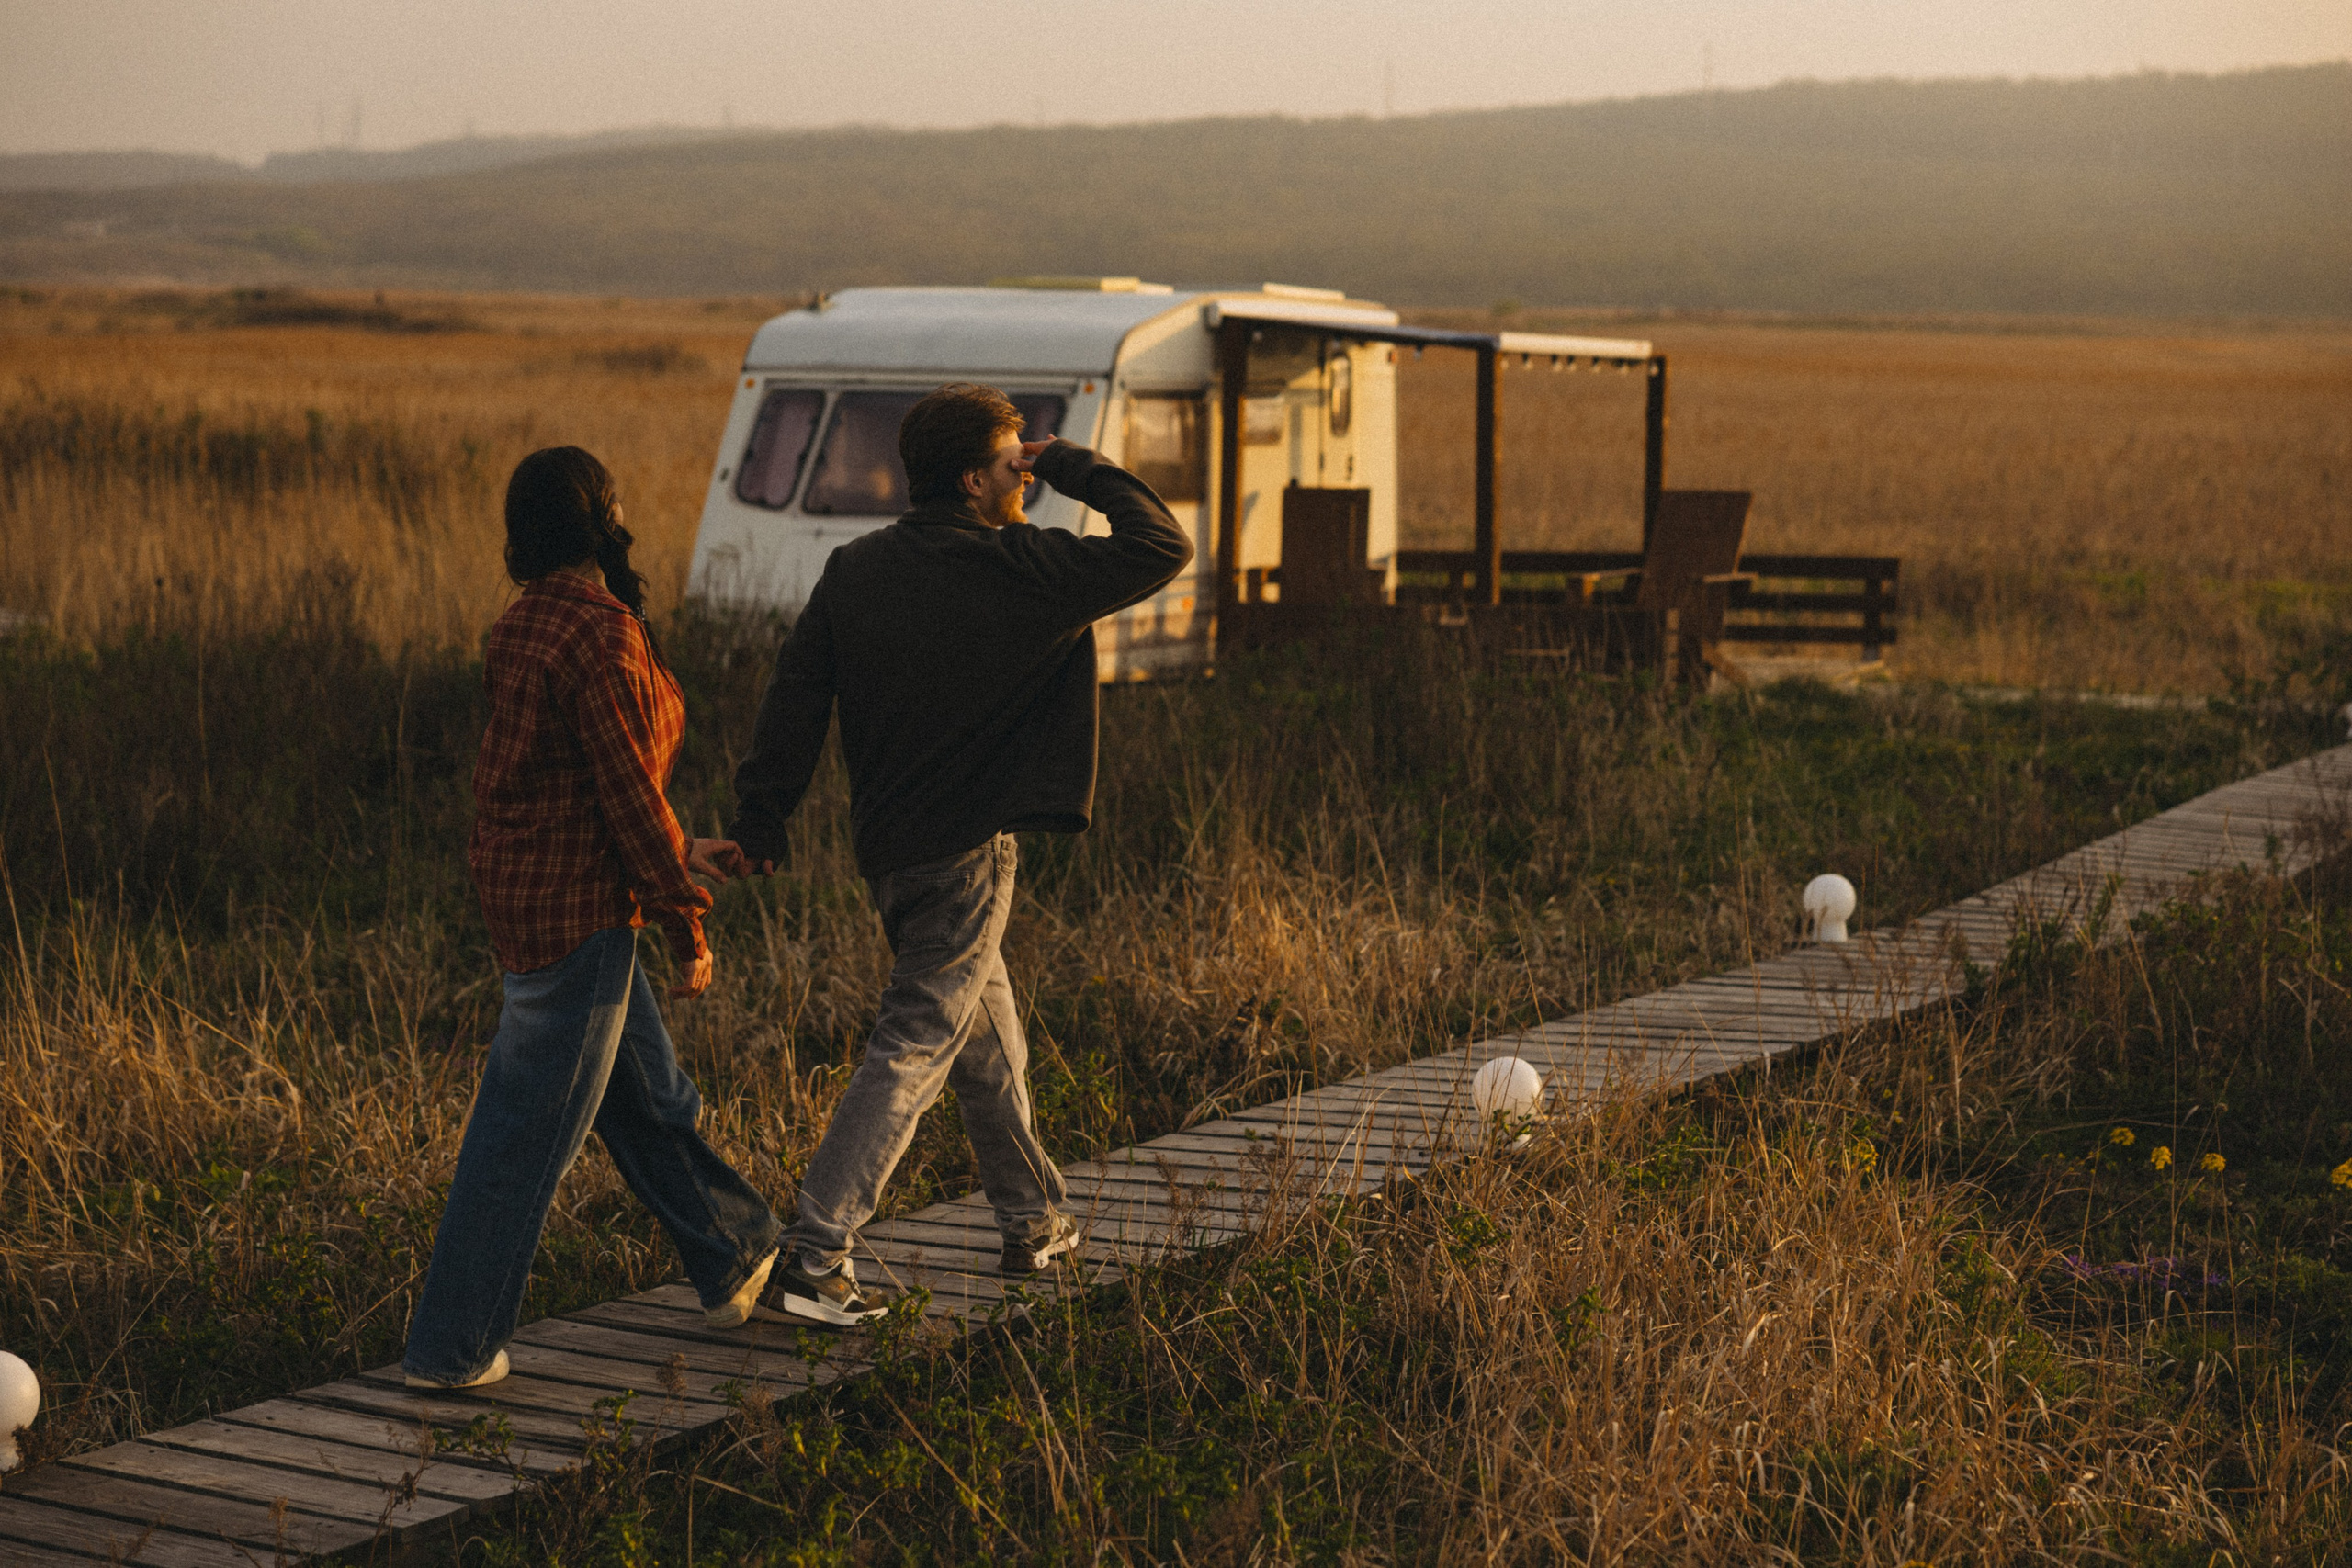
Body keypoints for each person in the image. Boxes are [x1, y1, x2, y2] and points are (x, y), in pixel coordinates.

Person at [724, 383, 1193, 1325]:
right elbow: (1160, 543)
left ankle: (1035, 1219)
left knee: (987, 1038)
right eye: (1015, 464)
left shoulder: (855, 571)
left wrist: (760, 819)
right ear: (979, 479)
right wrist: (1070, 463)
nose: (1026, 479)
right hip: (968, 853)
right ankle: (814, 1258)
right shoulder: (1025, 566)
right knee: (917, 1041)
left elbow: (794, 701)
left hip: (891, 853)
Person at [401, 446, 783, 1390]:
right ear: (602, 516)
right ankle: (451, 1351)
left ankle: (733, 1255)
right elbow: (622, 797)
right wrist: (686, 927)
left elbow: (570, 784)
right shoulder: (600, 637)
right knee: (523, 1137)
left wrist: (678, 851)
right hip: (579, 915)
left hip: (535, 894)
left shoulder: (522, 623)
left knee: (645, 1097)